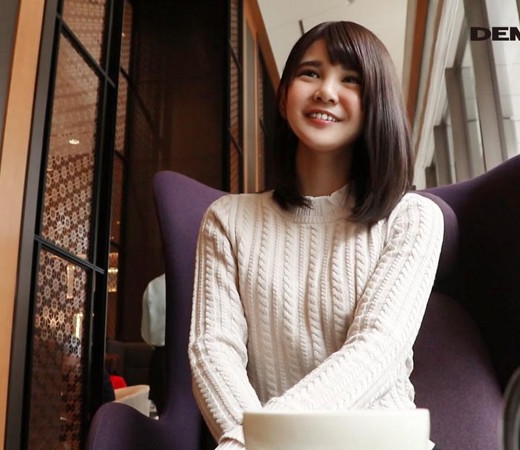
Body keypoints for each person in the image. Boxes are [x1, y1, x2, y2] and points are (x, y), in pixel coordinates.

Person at [188, 21, 444, 450]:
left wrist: (259, 442)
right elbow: (213, 351)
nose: (326, 91)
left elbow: (377, 349)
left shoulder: (412, 217)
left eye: (350, 79)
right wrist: (254, 443)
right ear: (284, 94)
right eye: (310, 73)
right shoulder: (226, 220)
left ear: (377, 104)